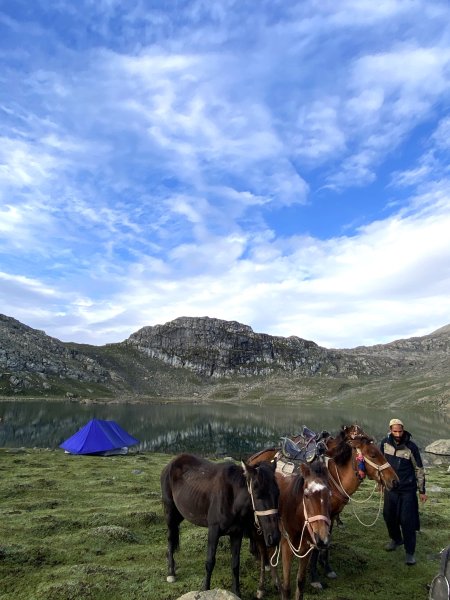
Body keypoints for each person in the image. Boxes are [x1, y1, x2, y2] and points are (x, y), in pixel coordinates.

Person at [380, 418, 427, 566]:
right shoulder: (384, 444)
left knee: (408, 521)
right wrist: (380, 482)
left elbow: (419, 469)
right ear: (390, 430)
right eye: (395, 431)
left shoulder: (411, 447)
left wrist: (422, 490)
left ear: (403, 429)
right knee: (388, 516)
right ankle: (396, 539)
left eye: (400, 431)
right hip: (391, 489)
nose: (398, 434)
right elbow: (380, 465)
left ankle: (410, 552)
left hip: (407, 490)